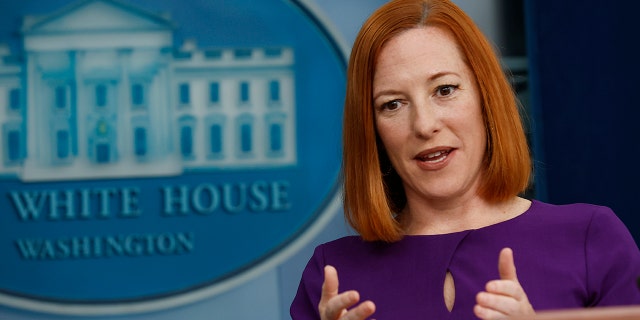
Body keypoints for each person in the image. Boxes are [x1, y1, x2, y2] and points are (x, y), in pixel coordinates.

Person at [290, 0, 640, 319]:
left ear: (486, 98)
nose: (425, 125)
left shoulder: (591, 238)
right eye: (392, 104)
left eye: (444, 90)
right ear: (372, 130)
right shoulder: (331, 275)